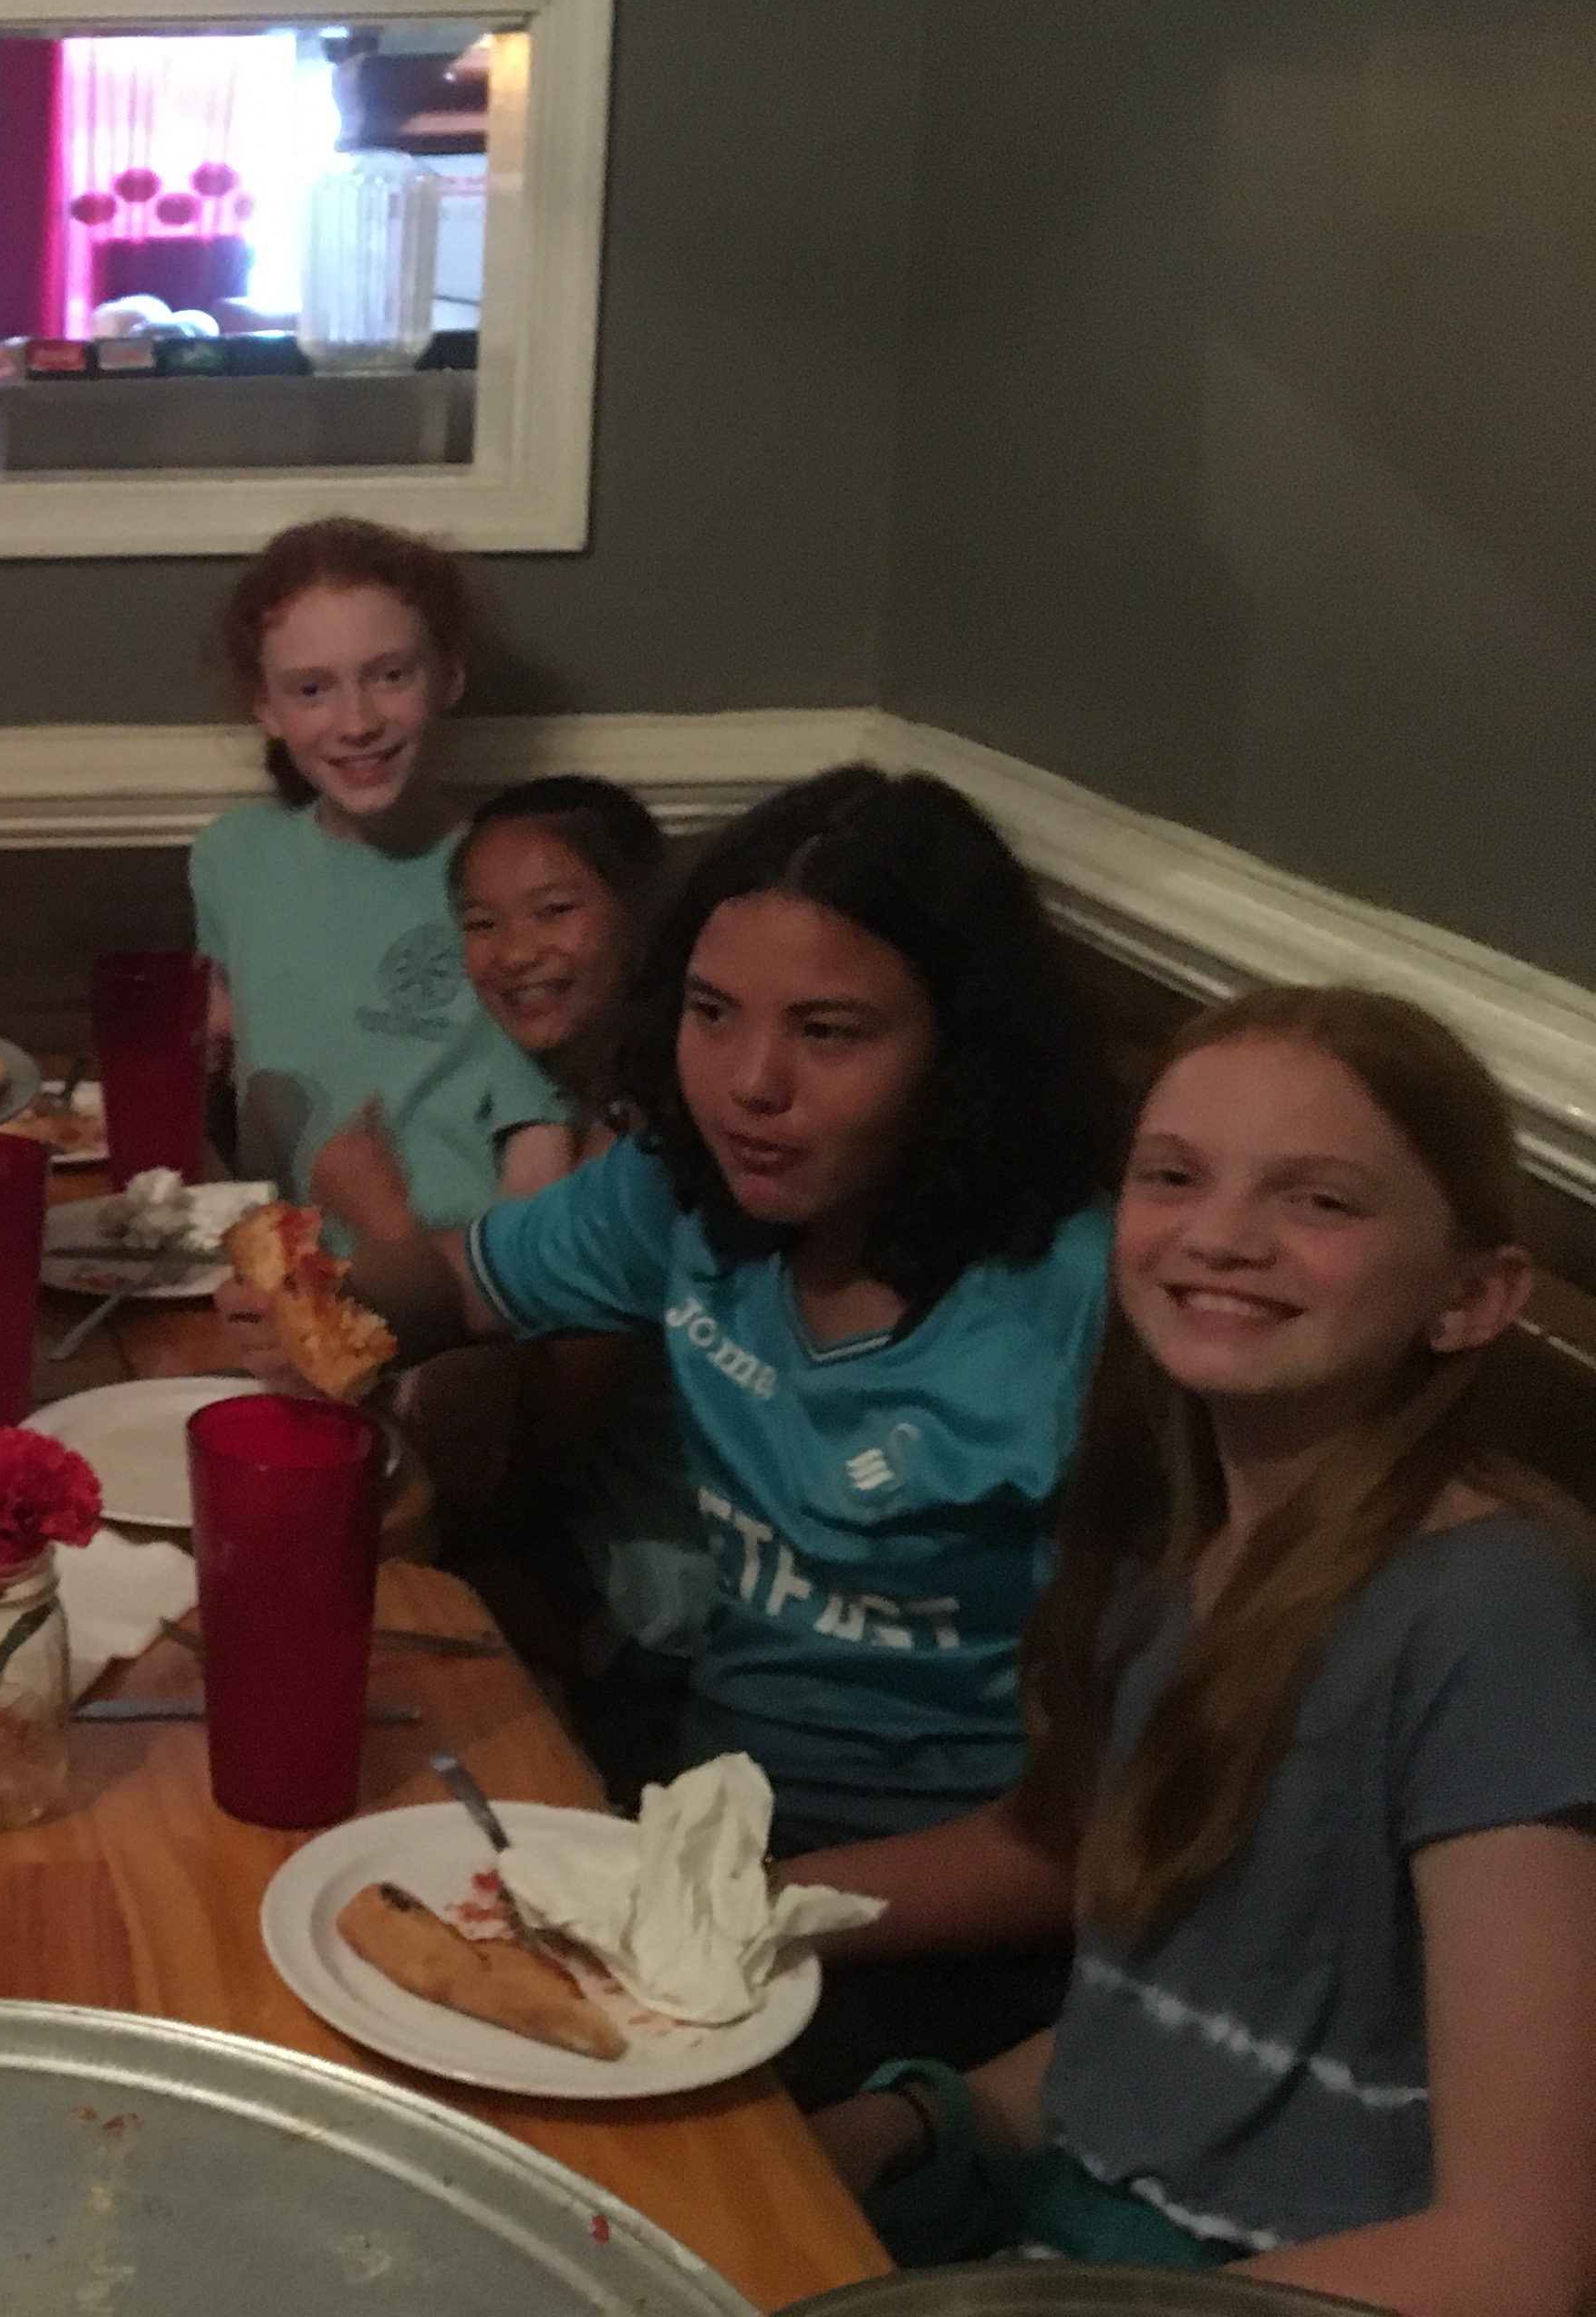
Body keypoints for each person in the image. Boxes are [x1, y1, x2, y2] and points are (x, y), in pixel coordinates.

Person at [270, 764, 1120, 2099]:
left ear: (960, 1051)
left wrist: (744, 1911)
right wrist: (312, 1301)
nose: (750, 1085)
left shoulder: (1093, 1315)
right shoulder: (682, 1188)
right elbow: (455, 1280)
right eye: (713, 1015)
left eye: (829, 1033)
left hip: (929, 1929)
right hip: (692, 1815)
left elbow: (1097, 1842)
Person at [806, 989, 1596, 2301]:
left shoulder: (1491, 1619)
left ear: (1471, 1298)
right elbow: (1153, 2057)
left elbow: (1514, 2262)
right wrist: (912, 2125)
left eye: (1319, 1201)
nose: (1222, 1235)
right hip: (1075, 2242)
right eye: (1174, 1176)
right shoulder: (1170, 1568)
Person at [362, 778, 709, 1761]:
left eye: (555, 910)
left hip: (653, 1606)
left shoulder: (657, 1130)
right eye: (482, 923)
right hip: (583, 1546)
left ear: (644, 914)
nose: (513, 952)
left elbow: (535, 1437)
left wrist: (378, 1229)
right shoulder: (583, 1093)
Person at [191, 517, 572, 1230]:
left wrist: (499, 1286)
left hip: (452, 1269)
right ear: (266, 707)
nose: (357, 722)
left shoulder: (506, 884)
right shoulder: (231, 858)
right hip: (280, 1264)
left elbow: (539, 1144)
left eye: (390, 676)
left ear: (448, 676)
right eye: (311, 689)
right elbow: (218, 1048)